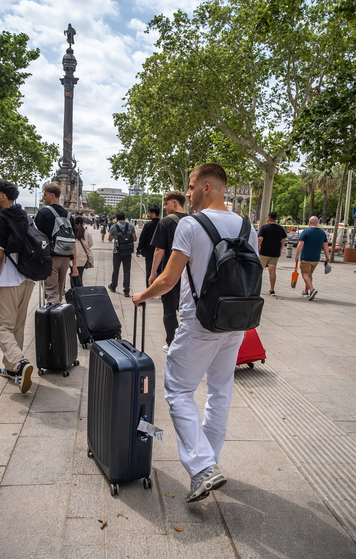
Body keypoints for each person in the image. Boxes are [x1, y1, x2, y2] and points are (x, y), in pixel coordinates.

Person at [132, 163, 258, 503]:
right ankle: (209, 463)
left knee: (178, 391)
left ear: (206, 187)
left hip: (199, 322)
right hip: (235, 323)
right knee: (220, 393)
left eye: (190, 186)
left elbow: (169, 279)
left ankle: (203, 467)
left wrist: (142, 295)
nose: (187, 193)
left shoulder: (190, 224)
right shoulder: (249, 227)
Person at [0, 180, 36, 393]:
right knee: (17, 326)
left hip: (7, 281)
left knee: (0, 326)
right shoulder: (26, 217)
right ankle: (12, 368)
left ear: (3, 196)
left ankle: (19, 363)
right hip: (27, 278)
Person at [149, 191, 188, 352]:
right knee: (187, 309)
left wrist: (153, 274)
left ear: (175, 203)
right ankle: (188, 341)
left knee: (170, 310)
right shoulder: (195, 220)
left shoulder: (165, 222)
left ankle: (172, 342)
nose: (164, 207)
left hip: (171, 273)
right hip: (191, 275)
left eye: (166, 204)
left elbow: (159, 250)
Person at [34, 183, 77, 303]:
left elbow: (35, 236)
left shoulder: (44, 212)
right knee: (59, 290)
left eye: (45, 195)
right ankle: (58, 316)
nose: (43, 197)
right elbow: (74, 241)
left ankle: (52, 320)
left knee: (51, 292)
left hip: (50, 258)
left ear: (52, 195)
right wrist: (74, 264)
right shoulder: (69, 215)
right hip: (65, 258)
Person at [295, 216, 330, 301]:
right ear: (317, 223)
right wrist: (327, 256)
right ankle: (305, 291)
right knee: (309, 274)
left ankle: (312, 290)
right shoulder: (322, 233)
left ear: (309, 222)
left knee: (305, 274)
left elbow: (300, 244)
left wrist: (297, 255)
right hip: (316, 258)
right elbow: (325, 245)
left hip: (306, 257)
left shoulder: (306, 232)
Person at [257, 212, 287, 295]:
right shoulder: (280, 228)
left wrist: (258, 247)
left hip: (264, 252)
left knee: (259, 270)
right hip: (275, 252)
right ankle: (272, 289)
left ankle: (256, 288)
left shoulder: (264, 228)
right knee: (272, 270)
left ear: (268, 218)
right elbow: (284, 239)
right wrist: (281, 249)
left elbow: (260, 239)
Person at [108, 211, 137, 297]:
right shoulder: (131, 226)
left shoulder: (114, 227)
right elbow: (135, 238)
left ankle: (113, 286)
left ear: (116, 219)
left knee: (115, 270)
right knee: (127, 271)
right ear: (124, 218)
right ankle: (126, 290)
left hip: (117, 251)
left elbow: (110, 239)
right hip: (128, 252)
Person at [137, 206, 160, 287]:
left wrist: (139, 249)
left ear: (153, 214)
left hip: (149, 252)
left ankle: (150, 287)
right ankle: (159, 288)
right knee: (160, 271)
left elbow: (142, 238)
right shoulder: (163, 224)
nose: (148, 215)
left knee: (149, 270)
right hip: (161, 252)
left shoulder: (148, 225)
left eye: (149, 213)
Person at [70, 216, 93, 288]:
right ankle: (79, 289)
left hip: (72, 257)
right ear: (83, 223)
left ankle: (73, 290)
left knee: (73, 274)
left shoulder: (71, 232)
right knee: (80, 274)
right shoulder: (87, 233)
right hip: (82, 258)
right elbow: (91, 244)